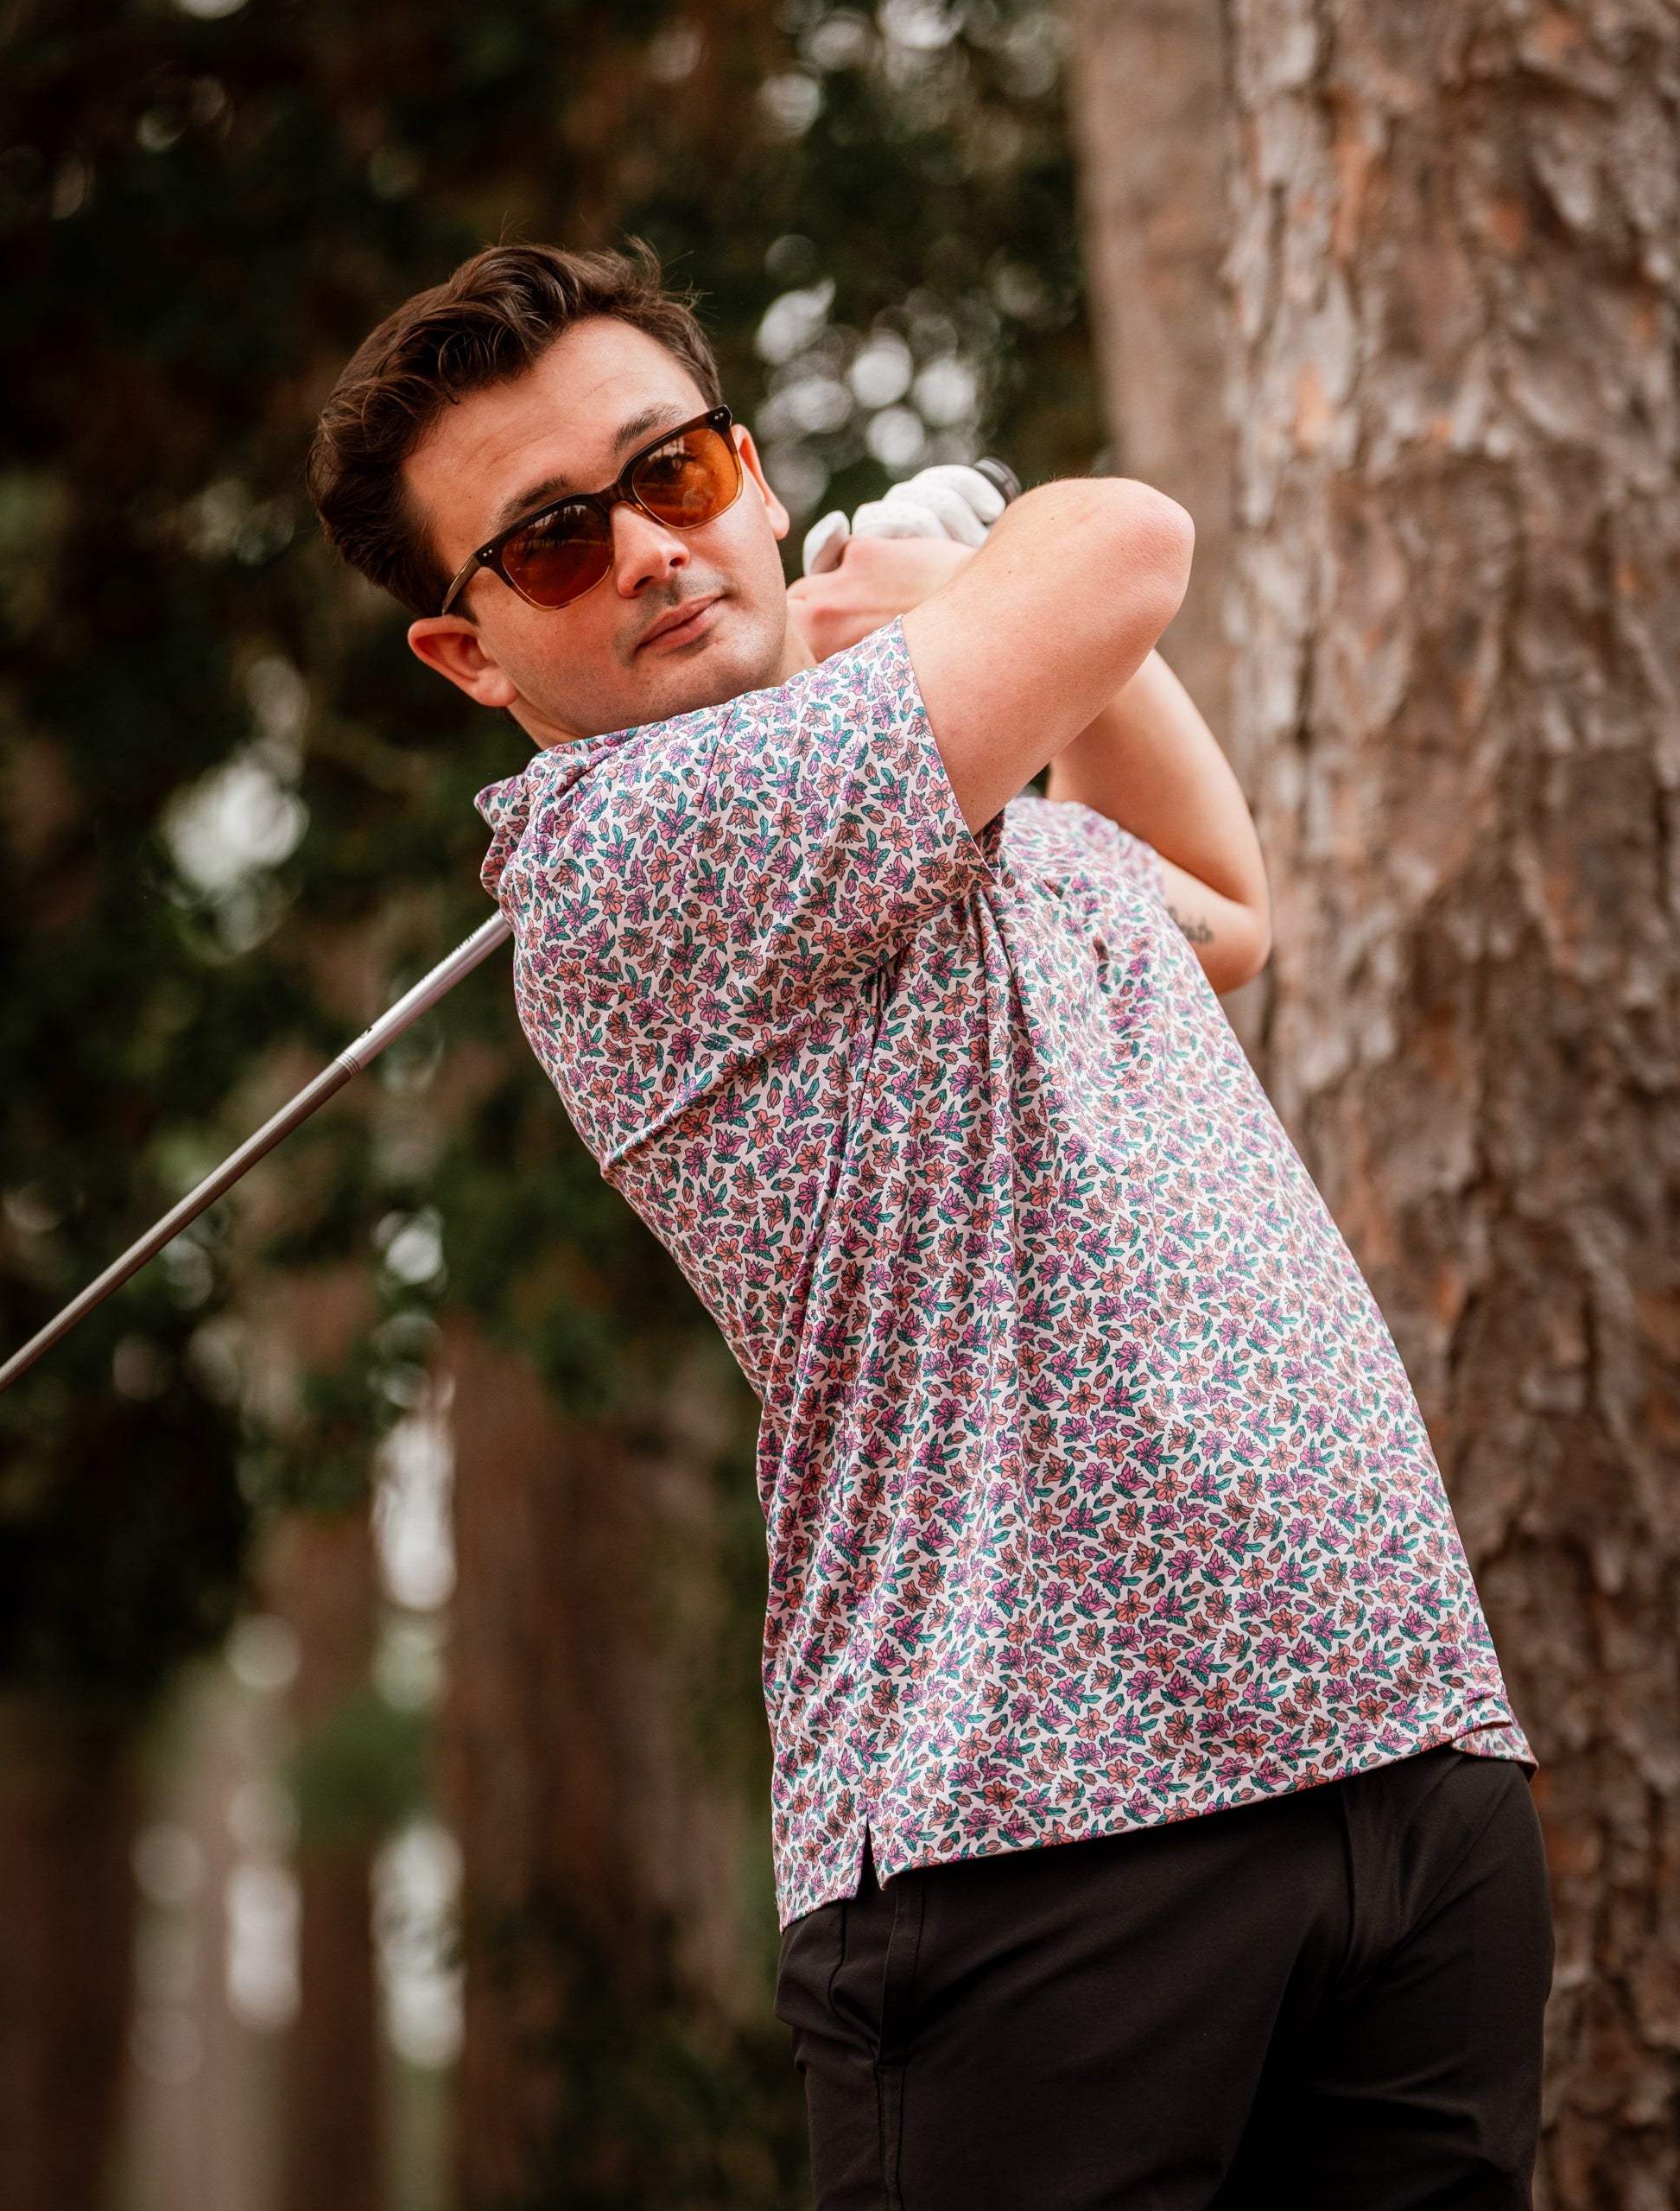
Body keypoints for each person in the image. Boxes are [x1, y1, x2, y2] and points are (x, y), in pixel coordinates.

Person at [309, 242, 1551, 2209]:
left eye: (676, 475)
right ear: (470, 654)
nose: (643, 549)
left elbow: (1222, 905)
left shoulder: (942, 798)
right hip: (1038, 1840)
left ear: (752, 475)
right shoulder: (630, 852)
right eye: (550, 542)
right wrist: (969, 580)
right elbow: (1124, 540)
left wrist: (973, 623)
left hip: (1394, 1741)